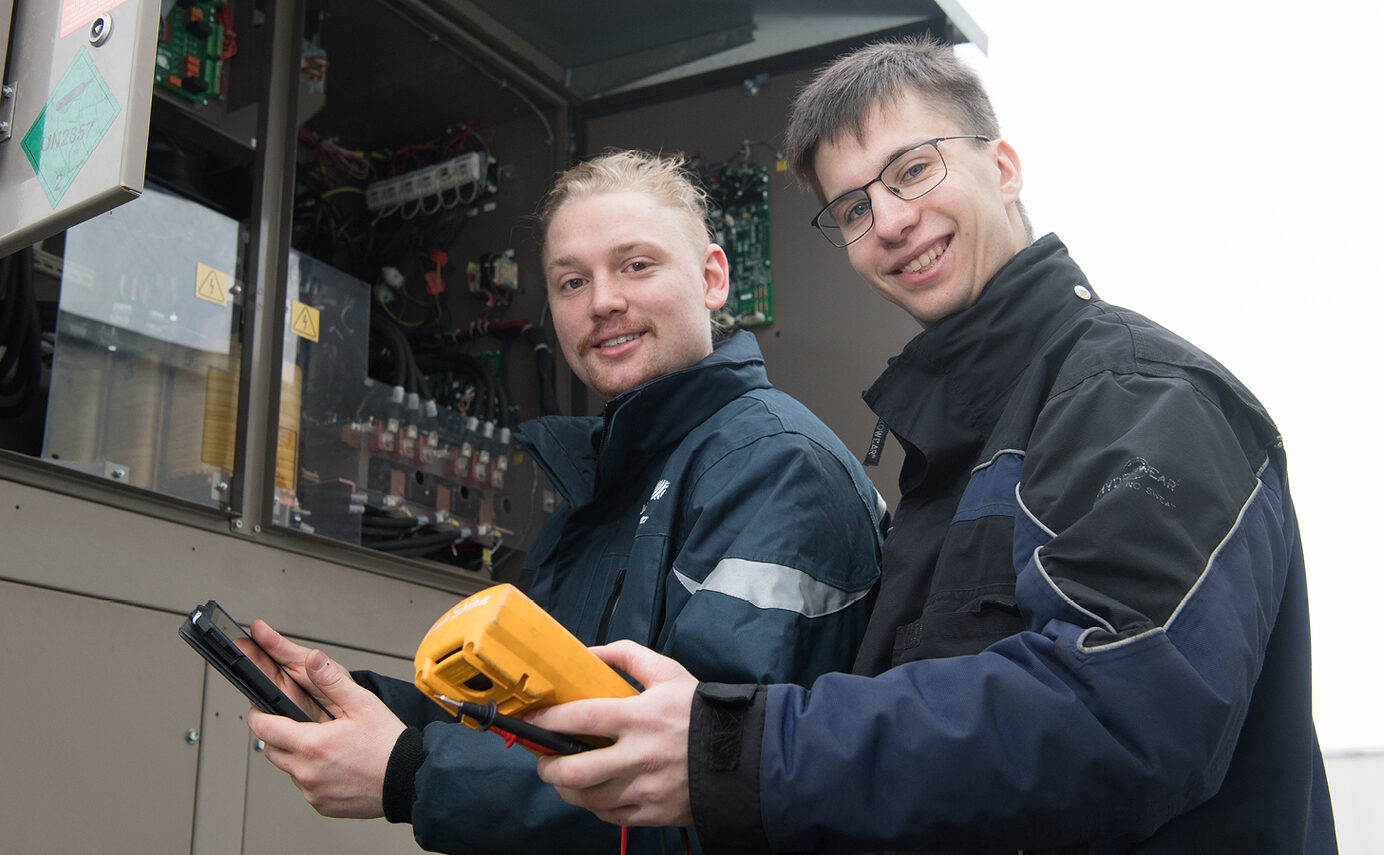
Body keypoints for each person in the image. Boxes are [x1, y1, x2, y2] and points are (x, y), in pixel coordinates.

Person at [525, 39, 1338, 853]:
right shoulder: (954, 452)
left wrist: (735, 747)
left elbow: (1124, 716)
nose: (889, 221)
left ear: (1005, 167)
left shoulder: (1139, 393)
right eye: (852, 208)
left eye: (913, 169)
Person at [244, 150, 885, 854]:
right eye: (572, 280)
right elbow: (550, 717)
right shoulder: (605, 486)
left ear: (712, 278)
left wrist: (409, 773)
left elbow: (697, 781)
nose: (602, 300)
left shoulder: (777, 465)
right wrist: (367, 711)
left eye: (636, 265)